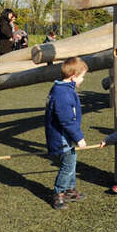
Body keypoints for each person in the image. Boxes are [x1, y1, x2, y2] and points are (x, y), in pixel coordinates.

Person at [44, 57, 88, 210]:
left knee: (71, 163)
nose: (83, 80)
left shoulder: (63, 89)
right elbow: (67, 120)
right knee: (67, 166)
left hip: (66, 137)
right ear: (73, 77)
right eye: (82, 76)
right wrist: (79, 138)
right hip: (62, 137)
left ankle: (69, 189)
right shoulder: (63, 94)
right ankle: (59, 193)